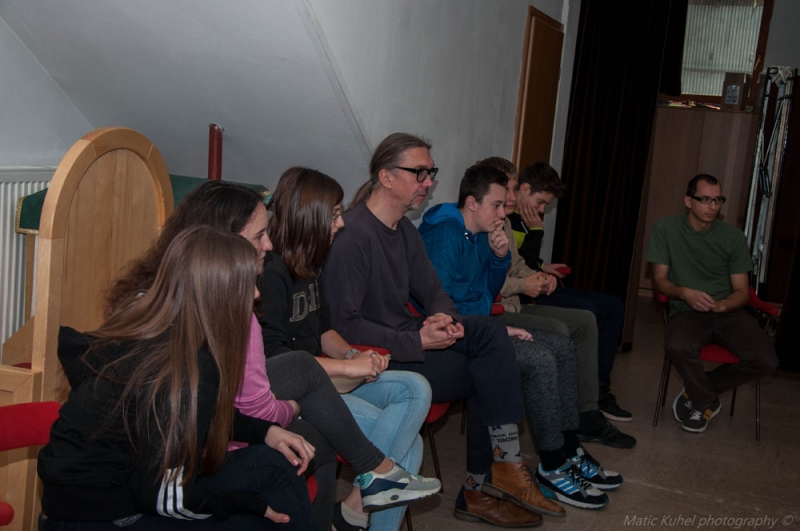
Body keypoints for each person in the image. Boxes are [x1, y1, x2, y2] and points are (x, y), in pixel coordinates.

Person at [105, 181, 438, 531]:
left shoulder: (288, 276)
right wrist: (297, 404)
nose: (269, 244)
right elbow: (224, 405)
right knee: (315, 398)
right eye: (259, 236)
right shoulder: (197, 304)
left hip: (228, 418)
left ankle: (361, 495)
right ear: (223, 240)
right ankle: (369, 484)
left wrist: (351, 357)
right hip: (188, 452)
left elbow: (234, 395)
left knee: (402, 411)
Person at [322, 132, 566, 529]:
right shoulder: (352, 235)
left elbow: (435, 292)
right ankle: (481, 485)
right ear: (386, 177)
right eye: (419, 172)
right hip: (375, 357)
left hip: (408, 339)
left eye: (430, 172)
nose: (429, 182)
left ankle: (503, 466)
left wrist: (443, 317)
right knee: (489, 370)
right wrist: (417, 338)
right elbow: (344, 325)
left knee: (489, 336)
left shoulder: (403, 229)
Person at [38, 227, 318, 529]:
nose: (256, 294)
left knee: (276, 464)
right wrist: (251, 506)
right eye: (247, 284)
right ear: (218, 294)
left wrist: (266, 432)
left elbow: (188, 416)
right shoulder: (191, 368)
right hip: (99, 516)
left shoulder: (157, 331)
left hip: (102, 498)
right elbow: (167, 499)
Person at [419, 164, 621, 510]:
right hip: (454, 334)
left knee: (561, 345)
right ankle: (552, 464)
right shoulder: (445, 236)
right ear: (472, 203)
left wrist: (499, 258)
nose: (503, 213)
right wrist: (494, 324)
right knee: (539, 357)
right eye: (497, 205)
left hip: (478, 325)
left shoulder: (480, 232)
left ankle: (568, 448)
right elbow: (444, 307)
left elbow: (487, 291)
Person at [260, 167, 438, 531]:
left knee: (415, 388)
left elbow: (325, 328)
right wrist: (346, 367)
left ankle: (357, 504)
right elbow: (275, 360)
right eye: (334, 215)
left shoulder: (311, 261)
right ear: (308, 216)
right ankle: (359, 506)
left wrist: (352, 356)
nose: (340, 224)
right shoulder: (271, 271)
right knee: (412, 445)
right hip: (296, 392)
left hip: (323, 377)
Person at [481, 157, 635, 444]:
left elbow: (518, 265)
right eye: (507, 190)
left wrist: (538, 275)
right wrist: (527, 281)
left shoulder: (504, 223)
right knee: (564, 328)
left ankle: (588, 408)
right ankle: (564, 426)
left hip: (514, 301)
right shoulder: (481, 225)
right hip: (497, 309)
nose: (511, 197)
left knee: (588, 317)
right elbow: (484, 283)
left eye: (513, 189)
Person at [646, 174, 778, 433]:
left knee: (767, 361)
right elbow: (660, 281)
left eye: (718, 200)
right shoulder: (665, 228)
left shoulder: (733, 237)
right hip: (687, 310)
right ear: (688, 201)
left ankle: (698, 392)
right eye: (705, 199)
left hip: (727, 312)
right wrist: (685, 293)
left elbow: (742, 291)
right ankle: (706, 400)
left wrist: (723, 305)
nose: (713, 206)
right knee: (677, 345)